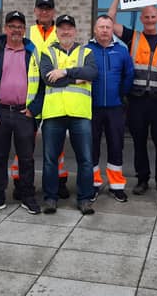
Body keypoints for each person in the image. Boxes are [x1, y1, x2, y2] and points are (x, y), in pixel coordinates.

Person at [0, 10, 44, 216]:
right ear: (5, 28)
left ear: (24, 30)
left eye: (19, 27)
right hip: (0, 114)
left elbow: (42, 85)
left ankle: (27, 196)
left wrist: (34, 110)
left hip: (25, 114)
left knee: (27, 158)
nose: (16, 30)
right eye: (12, 26)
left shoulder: (33, 53)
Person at [108, 0, 157, 196]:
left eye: (153, 16)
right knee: (138, 142)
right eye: (146, 17)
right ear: (142, 19)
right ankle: (142, 179)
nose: (150, 20)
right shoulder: (132, 36)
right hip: (136, 101)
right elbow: (110, 21)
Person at [9, 0, 69, 200]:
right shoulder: (27, 33)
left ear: (53, 11)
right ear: (35, 11)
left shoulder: (61, 33)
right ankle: (20, 182)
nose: (44, 12)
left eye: (48, 8)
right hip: (31, 96)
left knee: (56, 142)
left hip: (54, 95)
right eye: (41, 8)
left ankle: (59, 180)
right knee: (25, 141)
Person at [40, 14, 98, 215]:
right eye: (62, 28)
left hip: (80, 113)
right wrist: (77, 77)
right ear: (56, 32)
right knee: (50, 159)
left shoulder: (87, 52)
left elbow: (92, 74)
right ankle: (50, 198)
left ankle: (84, 199)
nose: (66, 31)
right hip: (54, 113)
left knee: (85, 159)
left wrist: (64, 73)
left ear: (75, 31)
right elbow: (48, 79)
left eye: (69, 28)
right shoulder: (47, 52)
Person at [86, 14, 134, 203]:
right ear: (95, 30)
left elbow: (128, 75)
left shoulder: (122, 50)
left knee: (116, 145)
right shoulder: (86, 50)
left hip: (115, 107)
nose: (105, 30)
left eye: (108, 27)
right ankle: (94, 183)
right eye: (101, 27)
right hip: (92, 107)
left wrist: (120, 94)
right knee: (92, 146)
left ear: (112, 29)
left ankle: (116, 186)